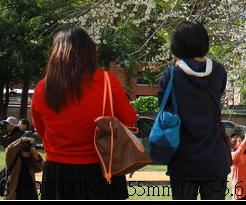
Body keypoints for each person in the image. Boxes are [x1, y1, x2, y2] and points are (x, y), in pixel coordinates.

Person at [31, 26, 138, 200]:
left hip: (57, 171)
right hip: (102, 168)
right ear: (90, 51)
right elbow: (129, 120)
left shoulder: (43, 87)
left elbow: (41, 131)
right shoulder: (107, 81)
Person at [157, 20, 230, 199]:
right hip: (214, 158)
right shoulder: (219, 71)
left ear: (177, 45)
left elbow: (163, 107)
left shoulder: (171, 75)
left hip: (182, 159)